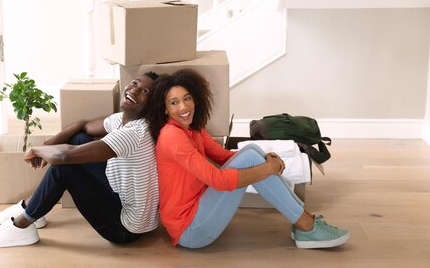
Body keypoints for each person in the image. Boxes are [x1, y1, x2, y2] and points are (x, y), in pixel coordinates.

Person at [147, 68, 350, 249]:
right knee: (253, 158)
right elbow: (218, 180)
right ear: (165, 109)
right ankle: (307, 225)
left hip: (200, 207)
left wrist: (263, 159)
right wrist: (268, 168)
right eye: (174, 103)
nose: (184, 107)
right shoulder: (172, 136)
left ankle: (305, 221)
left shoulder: (191, 128)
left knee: (252, 151)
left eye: (187, 98)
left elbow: (223, 156)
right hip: (190, 230)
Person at [0, 72, 160, 248]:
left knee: (65, 167)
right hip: (121, 197)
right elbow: (83, 126)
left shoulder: (135, 133)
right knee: (79, 139)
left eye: (145, 91)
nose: (135, 90)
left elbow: (63, 156)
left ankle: (21, 226)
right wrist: (49, 143)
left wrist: (37, 149)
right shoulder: (122, 120)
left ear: (151, 105)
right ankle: (32, 207)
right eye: (135, 83)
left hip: (125, 228)